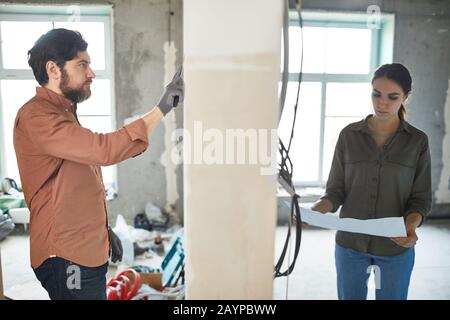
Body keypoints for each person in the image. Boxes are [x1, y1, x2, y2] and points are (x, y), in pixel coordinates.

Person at [13, 28, 184, 300]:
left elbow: (76, 183)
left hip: (82, 249)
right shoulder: (38, 116)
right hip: (66, 256)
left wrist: (104, 231)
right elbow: (102, 150)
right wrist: (160, 109)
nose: (91, 73)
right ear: (53, 69)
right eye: (83, 64)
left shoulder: (63, 113)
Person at [311, 63, 431, 300]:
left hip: (395, 248)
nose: (382, 103)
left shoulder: (417, 141)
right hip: (349, 246)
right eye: (376, 94)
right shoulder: (349, 135)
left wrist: (410, 226)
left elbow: (420, 199)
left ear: (406, 97)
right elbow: (335, 191)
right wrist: (314, 212)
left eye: (392, 97)